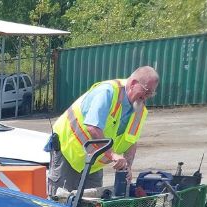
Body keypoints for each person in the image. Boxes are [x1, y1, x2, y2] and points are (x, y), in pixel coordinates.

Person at [48, 66, 159, 197]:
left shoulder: (139, 110)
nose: (146, 98)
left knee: (91, 204)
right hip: (68, 153)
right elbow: (93, 127)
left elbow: (131, 142)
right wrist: (112, 155)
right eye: (146, 92)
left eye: (151, 94)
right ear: (134, 83)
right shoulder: (108, 92)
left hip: (93, 161)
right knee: (62, 202)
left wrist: (127, 167)